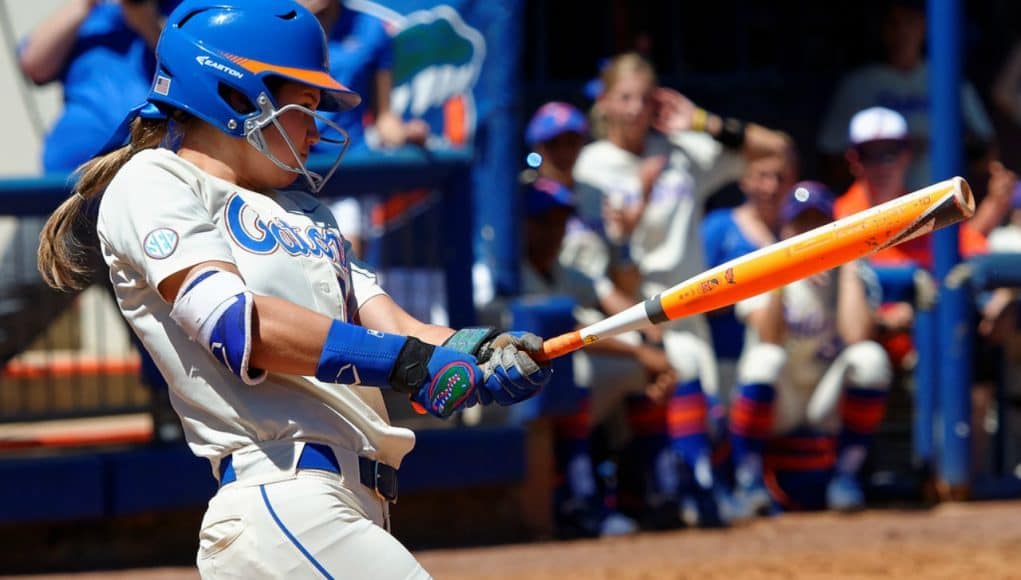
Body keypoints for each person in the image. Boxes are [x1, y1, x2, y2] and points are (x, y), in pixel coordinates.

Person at [35, 2, 551, 577]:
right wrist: (409, 363)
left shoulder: (305, 214)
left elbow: (398, 329)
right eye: (301, 106)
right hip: (285, 497)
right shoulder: (155, 180)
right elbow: (236, 327)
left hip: (354, 505)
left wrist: (479, 352)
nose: (316, 129)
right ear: (232, 97)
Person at [568, 51, 791, 527]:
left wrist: (704, 121)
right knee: (682, 380)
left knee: (711, 406)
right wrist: (639, 207)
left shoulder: (677, 149)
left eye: (644, 98)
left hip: (693, 302)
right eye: (625, 98)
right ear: (605, 102)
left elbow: (776, 148)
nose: (635, 109)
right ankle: (693, 497)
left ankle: (706, 490)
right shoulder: (592, 164)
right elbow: (604, 267)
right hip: (636, 306)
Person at [731, 182, 893, 513]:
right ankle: (747, 480)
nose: (809, 233)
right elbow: (769, 338)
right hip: (782, 402)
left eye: (818, 224)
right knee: (765, 359)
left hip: (824, 401)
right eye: (801, 224)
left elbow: (858, 336)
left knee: (870, 359)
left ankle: (845, 476)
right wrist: (783, 274)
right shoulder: (765, 264)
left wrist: (847, 265)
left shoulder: (852, 270)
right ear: (785, 229)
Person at [816, 0, 996, 192]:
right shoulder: (858, 85)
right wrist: (881, 154)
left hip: (940, 204)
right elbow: (830, 160)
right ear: (882, 28)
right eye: (894, 23)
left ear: (925, 25)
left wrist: (952, 142)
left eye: (910, 21)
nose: (902, 31)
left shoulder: (947, 81)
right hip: (877, 209)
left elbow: (987, 153)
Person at [701, 147, 801, 404]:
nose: (771, 187)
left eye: (780, 178)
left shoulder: (800, 229)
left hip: (793, 360)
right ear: (744, 180)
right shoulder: (719, 225)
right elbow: (695, 300)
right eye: (762, 176)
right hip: (725, 359)